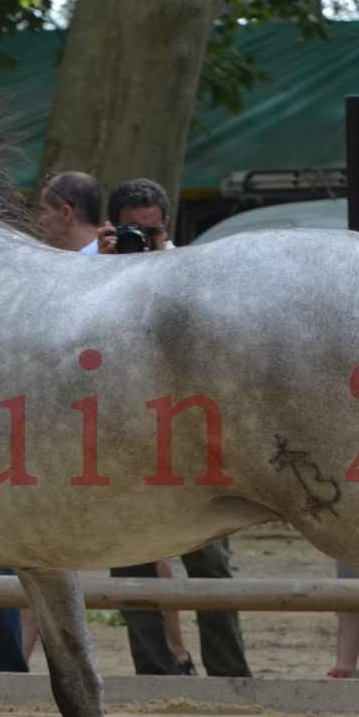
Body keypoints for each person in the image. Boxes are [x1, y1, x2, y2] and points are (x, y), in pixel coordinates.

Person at [97, 177, 252, 677]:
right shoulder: (89, 274)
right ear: (113, 228)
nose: (143, 240)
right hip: (121, 442)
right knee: (129, 562)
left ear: (168, 229)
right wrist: (99, 264)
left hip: (190, 443)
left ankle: (230, 677)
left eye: (153, 231)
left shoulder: (198, 274)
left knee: (210, 565)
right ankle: (154, 674)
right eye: (131, 231)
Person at [37, 171, 104, 254]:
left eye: (43, 211)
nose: (39, 221)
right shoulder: (112, 258)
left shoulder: (109, 258)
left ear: (66, 213)